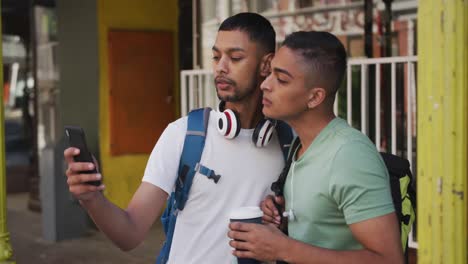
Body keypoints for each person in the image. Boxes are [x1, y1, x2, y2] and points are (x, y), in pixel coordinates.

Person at [64, 13, 286, 263]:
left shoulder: (288, 145)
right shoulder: (184, 134)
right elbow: (129, 234)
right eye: (216, 57)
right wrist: (91, 197)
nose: (221, 67)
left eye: (235, 58)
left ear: (266, 65)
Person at [228, 31, 404, 264]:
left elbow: (389, 260)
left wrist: (283, 249)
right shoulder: (301, 145)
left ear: (315, 97)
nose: (265, 85)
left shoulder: (349, 156)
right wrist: (283, 218)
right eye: (270, 73)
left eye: (281, 79)